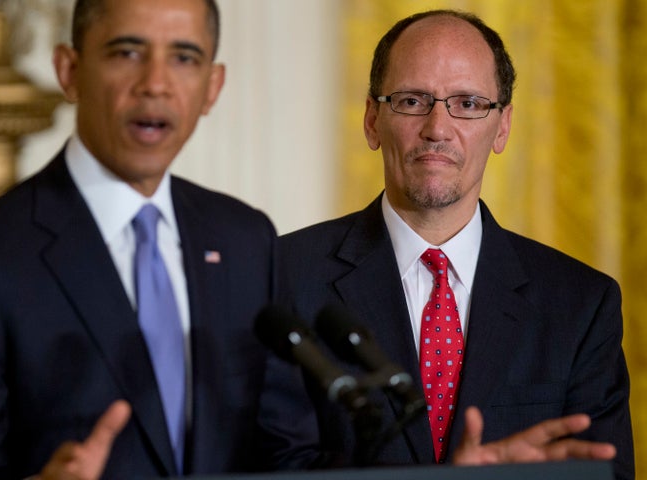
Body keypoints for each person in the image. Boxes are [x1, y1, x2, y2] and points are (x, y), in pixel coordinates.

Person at [264, 9, 634, 480]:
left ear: (502, 127)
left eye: (469, 103)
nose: (437, 128)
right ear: (372, 120)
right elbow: (266, 467)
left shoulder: (581, 305)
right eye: (413, 100)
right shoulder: (283, 277)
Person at [0, 0, 278, 478]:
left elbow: (283, 443)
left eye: (184, 58)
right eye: (127, 52)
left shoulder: (246, 240)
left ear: (212, 86)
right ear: (69, 72)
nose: (155, 83)